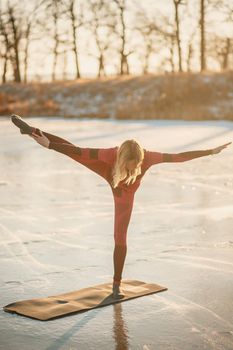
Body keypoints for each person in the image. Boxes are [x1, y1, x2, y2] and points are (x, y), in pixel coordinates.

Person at [11, 115, 231, 299]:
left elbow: (179, 157)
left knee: (120, 237)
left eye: (137, 165)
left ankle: (117, 283)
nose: (134, 168)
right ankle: (33, 131)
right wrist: (50, 146)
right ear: (122, 158)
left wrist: (210, 152)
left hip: (125, 192)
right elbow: (78, 151)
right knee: (74, 152)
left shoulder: (149, 158)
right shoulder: (110, 155)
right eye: (130, 164)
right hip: (108, 171)